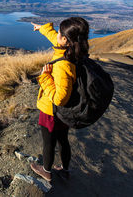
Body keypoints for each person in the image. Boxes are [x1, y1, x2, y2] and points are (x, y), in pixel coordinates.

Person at [29, 17, 90, 182]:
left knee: (49, 142)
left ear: (65, 40)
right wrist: (42, 28)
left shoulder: (63, 65)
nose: (57, 35)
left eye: (60, 34)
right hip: (64, 113)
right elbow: (54, 37)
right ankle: (65, 169)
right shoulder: (73, 52)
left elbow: (59, 99)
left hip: (52, 110)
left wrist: (45, 77)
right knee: (63, 140)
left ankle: (46, 171)